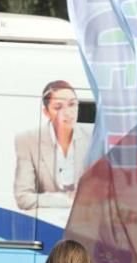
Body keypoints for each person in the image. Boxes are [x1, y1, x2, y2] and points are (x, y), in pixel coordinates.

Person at [13, 80, 93, 211]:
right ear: (46, 112)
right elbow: (23, 197)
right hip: (47, 220)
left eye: (72, 104)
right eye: (58, 107)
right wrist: (65, 201)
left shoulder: (93, 136)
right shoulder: (28, 140)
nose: (68, 112)